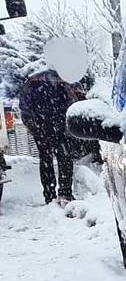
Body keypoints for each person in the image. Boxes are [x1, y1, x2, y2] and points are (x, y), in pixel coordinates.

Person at [18, 68, 80, 204]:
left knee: (47, 159)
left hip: (43, 128)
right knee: (63, 158)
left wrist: (34, 126)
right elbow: (72, 103)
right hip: (57, 127)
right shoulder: (62, 81)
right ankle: (64, 193)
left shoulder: (32, 82)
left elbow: (24, 108)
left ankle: (50, 194)